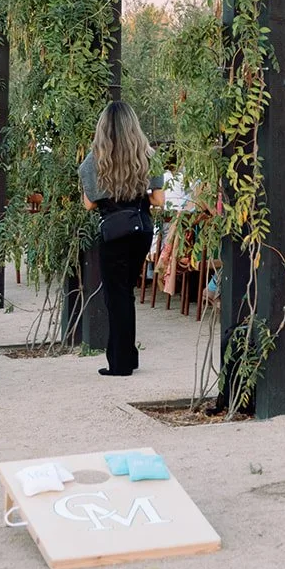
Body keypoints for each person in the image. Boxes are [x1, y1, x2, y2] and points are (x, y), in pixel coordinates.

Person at [79, 100, 164, 378]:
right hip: (141, 229)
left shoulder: (95, 159)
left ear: (103, 127)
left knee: (116, 297)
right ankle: (129, 356)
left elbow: (89, 204)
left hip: (113, 233)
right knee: (126, 292)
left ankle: (121, 363)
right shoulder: (148, 155)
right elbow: (159, 200)